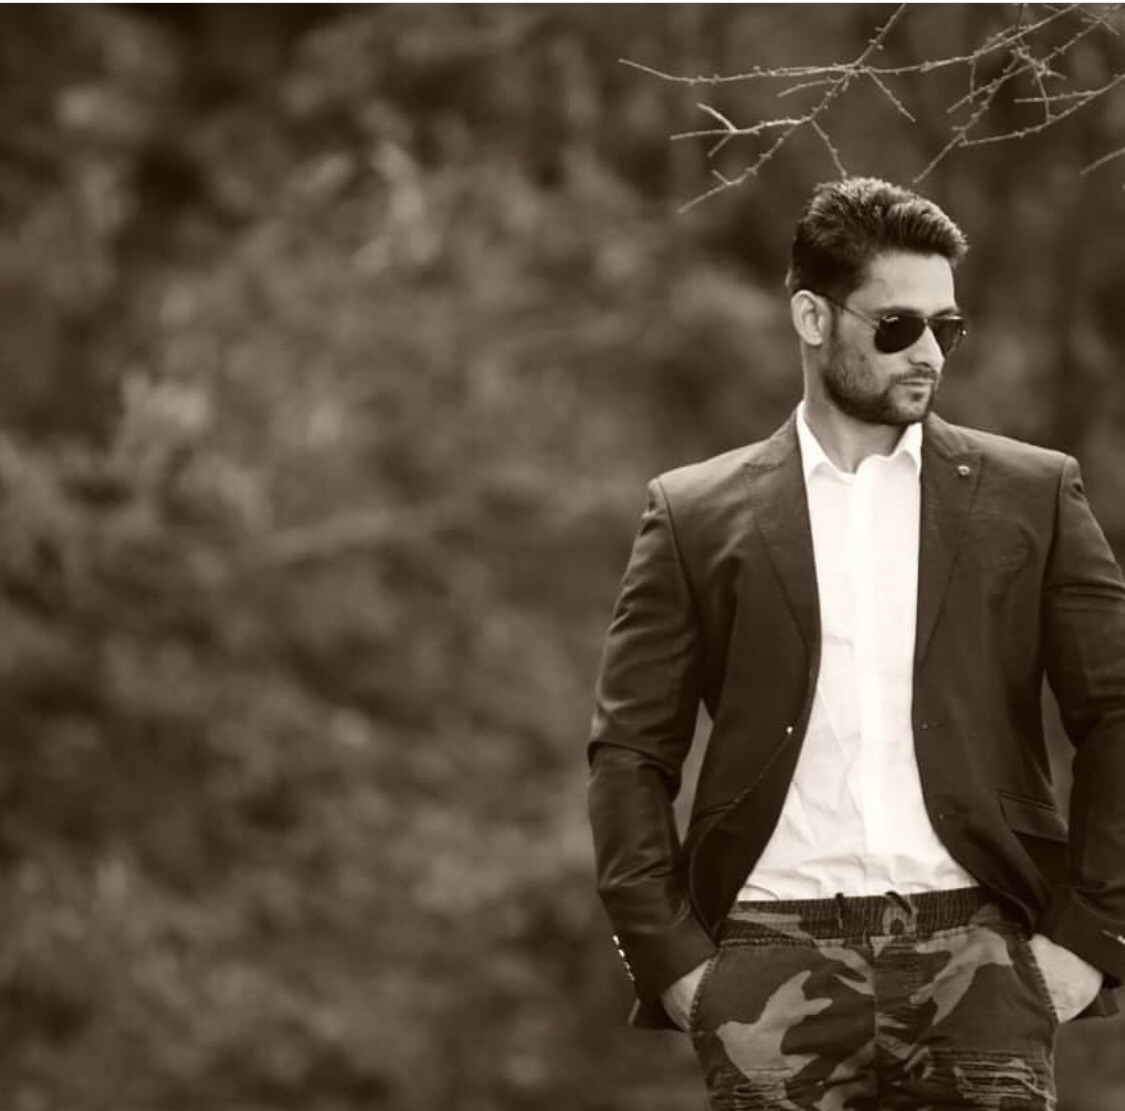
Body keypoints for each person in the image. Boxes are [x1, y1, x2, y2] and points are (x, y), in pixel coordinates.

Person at [586, 176, 1125, 1110]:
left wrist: (1089, 937)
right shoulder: (693, 513)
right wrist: (671, 961)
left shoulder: (1031, 493)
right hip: (767, 958)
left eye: (946, 328)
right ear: (811, 317)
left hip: (982, 958)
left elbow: (1115, 712)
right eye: (897, 326)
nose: (928, 353)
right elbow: (629, 752)